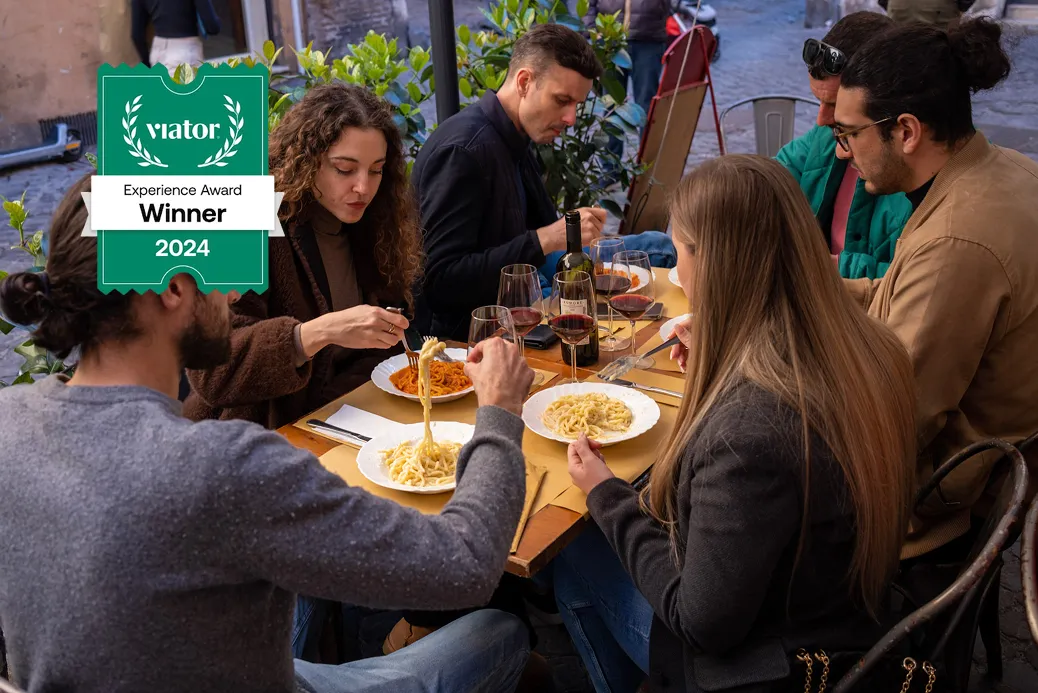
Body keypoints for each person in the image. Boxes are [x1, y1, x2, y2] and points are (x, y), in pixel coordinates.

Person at [0, 174, 536, 693]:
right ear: (172, 287)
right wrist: (500, 411)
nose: (238, 293)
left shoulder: (10, 421)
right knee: (501, 634)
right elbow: (465, 565)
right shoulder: (224, 466)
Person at [553, 155, 918, 692]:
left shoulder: (749, 431)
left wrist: (606, 495)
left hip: (774, 664)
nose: (677, 276)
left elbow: (702, 623)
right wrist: (722, 362)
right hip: (842, 606)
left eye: (679, 256)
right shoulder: (871, 346)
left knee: (575, 551)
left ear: (715, 262)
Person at [833, 18, 1038, 559]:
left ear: (905, 131)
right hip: (988, 467)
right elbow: (903, 292)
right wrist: (807, 293)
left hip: (939, 504)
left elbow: (892, 419)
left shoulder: (957, 242)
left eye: (848, 134)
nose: (841, 153)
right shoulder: (1009, 169)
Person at [184, 83, 420, 430]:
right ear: (307, 162)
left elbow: (379, 346)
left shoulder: (375, 220)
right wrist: (317, 333)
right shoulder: (250, 218)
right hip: (252, 436)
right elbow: (213, 373)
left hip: (348, 417)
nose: (364, 187)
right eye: (344, 169)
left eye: (376, 169)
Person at [412, 24, 608, 341]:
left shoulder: (515, 136)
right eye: (562, 100)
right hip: (466, 345)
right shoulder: (464, 151)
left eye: (577, 105)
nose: (571, 118)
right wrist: (545, 238)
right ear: (524, 82)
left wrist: (571, 238)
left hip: (515, 320)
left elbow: (543, 237)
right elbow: (441, 283)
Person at [776, 11, 912, 280]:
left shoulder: (927, 175)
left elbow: (916, 281)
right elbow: (766, 182)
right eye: (820, 101)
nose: (821, 120)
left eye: (836, 106)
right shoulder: (825, 138)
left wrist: (819, 267)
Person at [131, 0, 221, 76]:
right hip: (185, 52)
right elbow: (212, 27)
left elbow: (137, 35)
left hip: (157, 52)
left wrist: (148, 66)